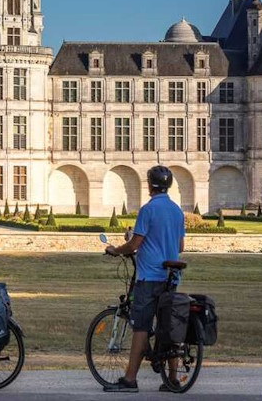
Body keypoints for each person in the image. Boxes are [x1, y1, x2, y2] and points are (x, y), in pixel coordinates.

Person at [102, 165, 186, 393]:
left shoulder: (148, 210)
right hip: (171, 277)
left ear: (149, 185)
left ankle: (130, 379)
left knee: (141, 326)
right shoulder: (177, 211)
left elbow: (134, 244)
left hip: (149, 275)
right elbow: (180, 246)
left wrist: (116, 250)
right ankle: (172, 380)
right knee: (168, 326)